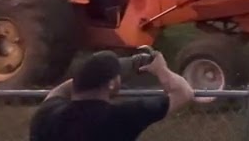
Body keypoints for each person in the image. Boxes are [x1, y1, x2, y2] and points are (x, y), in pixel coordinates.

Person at [29, 49, 196, 141]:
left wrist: (87, 77)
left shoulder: (47, 114)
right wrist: (162, 70)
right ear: (110, 84)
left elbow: (57, 92)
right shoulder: (121, 117)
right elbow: (184, 92)